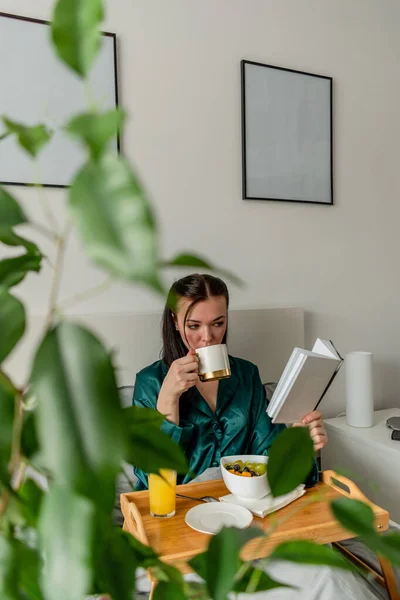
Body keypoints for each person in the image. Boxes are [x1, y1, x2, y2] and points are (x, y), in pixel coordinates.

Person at [132, 273, 327, 489]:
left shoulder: (246, 375)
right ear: (175, 322)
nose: (207, 337)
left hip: (241, 506)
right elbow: (152, 481)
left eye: (218, 323)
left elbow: (269, 464)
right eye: (194, 326)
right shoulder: (150, 382)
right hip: (178, 509)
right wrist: (168, 398)